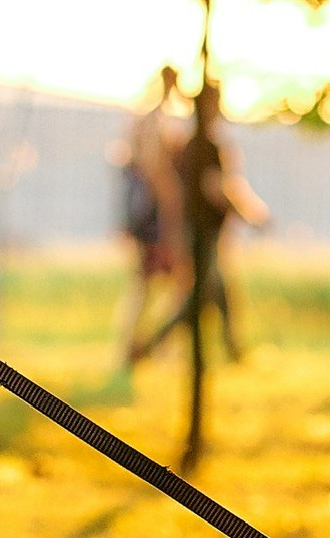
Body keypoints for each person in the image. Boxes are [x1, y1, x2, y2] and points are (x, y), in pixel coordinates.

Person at [134, 79, 269, 364]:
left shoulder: (194, 143)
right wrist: (251, 216)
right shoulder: (204, 144)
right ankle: (147, 347)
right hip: (201, 234)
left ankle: (234, 351)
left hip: (201, 232)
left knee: (219, 294)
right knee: (198, 299)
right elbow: (217, 188)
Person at [114, 65, 187, 362]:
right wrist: (174, 215)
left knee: (147, 287)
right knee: (164, 286)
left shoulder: (146, 119)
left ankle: (139, 347)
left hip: (145, 218)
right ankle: (150, 349)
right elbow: (157, 174)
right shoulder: (155, 122)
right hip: (155, 219)